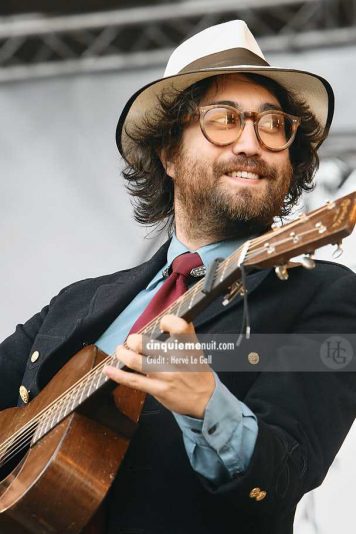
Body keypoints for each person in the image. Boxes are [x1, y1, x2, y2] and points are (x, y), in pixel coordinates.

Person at [0, 19, 355, 534]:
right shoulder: (75, 303)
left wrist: (209, 403)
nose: (251, 143)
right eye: (225, 119)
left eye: (272, 123)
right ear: (169, 153)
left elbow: (283, 479)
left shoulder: (320, 296)